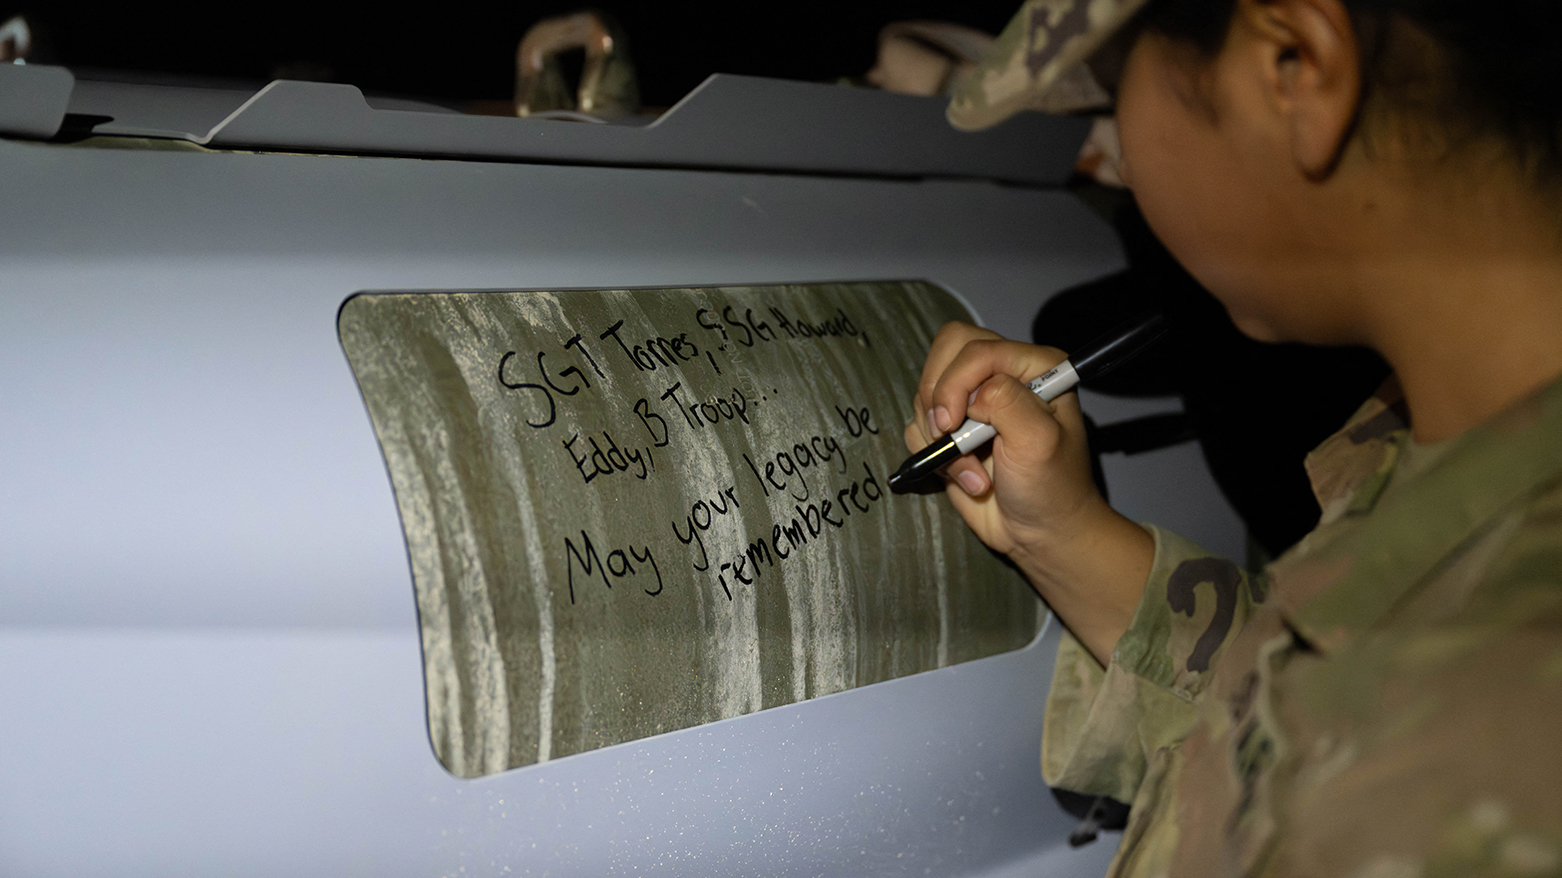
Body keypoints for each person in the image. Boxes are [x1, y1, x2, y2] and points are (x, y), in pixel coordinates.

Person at [906, 0, 1562, 875]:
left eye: (1117, 88)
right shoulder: (1452, 441)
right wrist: (1062, 534)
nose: (1121, 160)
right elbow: (1298, 719)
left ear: (1295, 66)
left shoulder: (1492, 731)